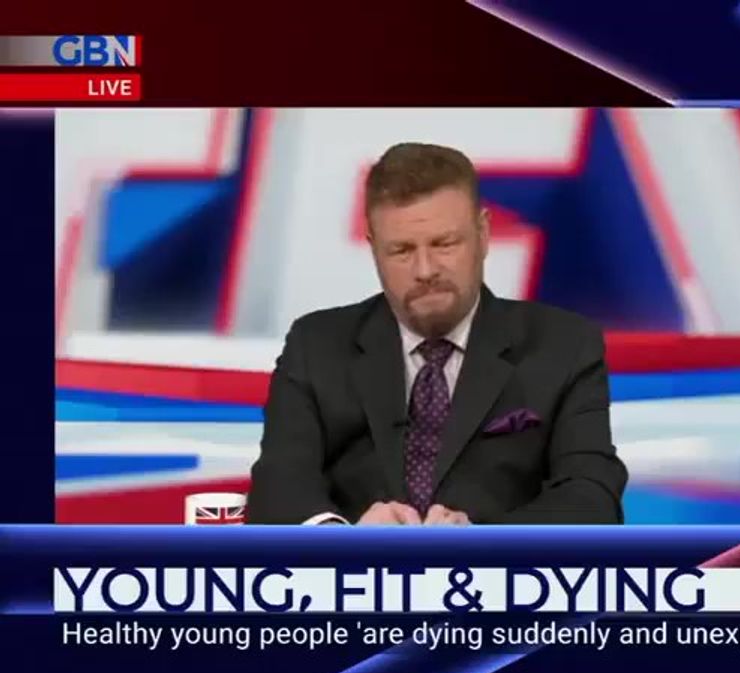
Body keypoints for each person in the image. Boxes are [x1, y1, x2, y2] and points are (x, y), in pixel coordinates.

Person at [246, 142, 628, 525]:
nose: (425, 270)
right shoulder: (315, 346)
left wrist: (479, 544)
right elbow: (277, 487)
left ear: (483, 234)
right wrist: (344, 541)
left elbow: (592, 497)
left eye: (444, 244)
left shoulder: (565, 346)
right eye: (401, 251)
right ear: (374, 249)